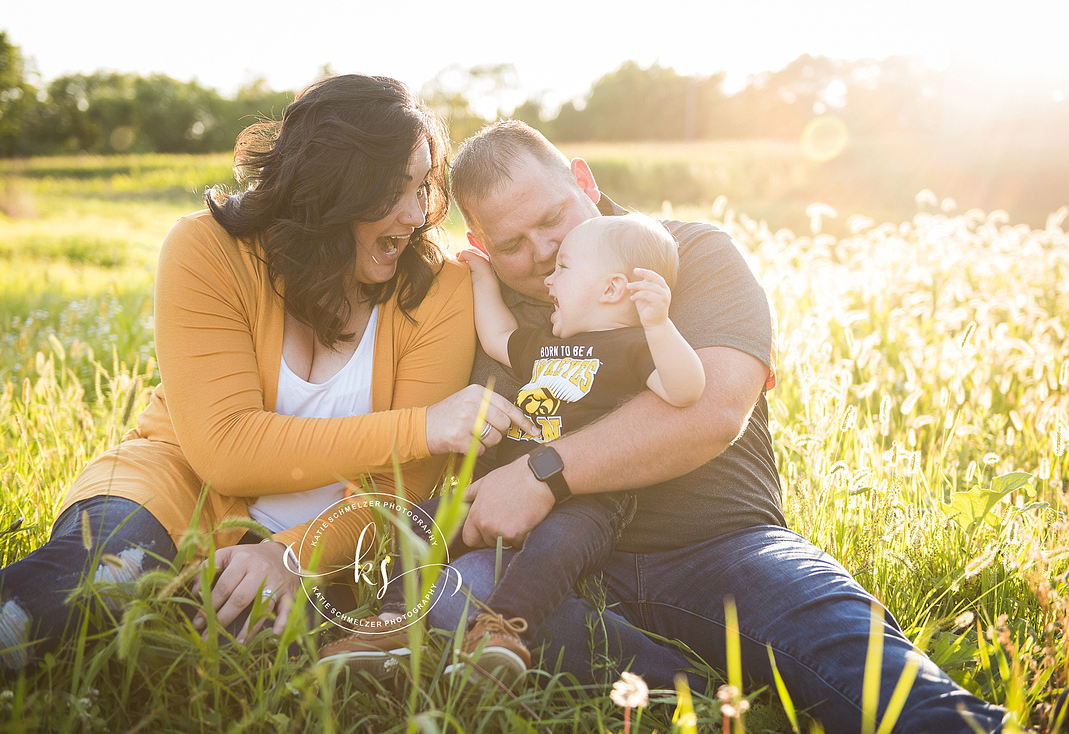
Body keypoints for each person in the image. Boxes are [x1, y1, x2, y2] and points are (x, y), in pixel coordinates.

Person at [425, 120, 1010, 733]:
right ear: (480, 243)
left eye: (551, 221)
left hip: (721, 545)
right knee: (454, 595)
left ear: (584, 181)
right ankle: (711, 709)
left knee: (873, 673)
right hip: (550, 566)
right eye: (513, 243)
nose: (542, 252)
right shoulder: (482, 308)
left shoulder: (689, 255)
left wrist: (544, 473)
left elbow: (712, 412)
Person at [0, 74, 536, 671]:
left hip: (327, 546)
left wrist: (293, 556)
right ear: (329, 186)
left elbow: (402, 492)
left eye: (423, 185)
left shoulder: (440, 291)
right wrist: (421, 426)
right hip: (173, 493)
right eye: (395, 188)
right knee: (95, 585)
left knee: (199, 653)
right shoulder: (207, 248)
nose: (417, 214)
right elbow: (224, 448)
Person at [318, 213, 704, 682]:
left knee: (552, 549)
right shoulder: (545, 344)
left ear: (611, 290)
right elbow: (497, 334)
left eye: (563, 267)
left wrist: (659, 324)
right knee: (418, 524)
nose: (549, 278)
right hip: (502, 488)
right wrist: (482, 275)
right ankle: (394, 625)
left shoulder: (634, 346)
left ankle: (502, 630)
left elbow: (686, 389)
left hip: (587, 500)